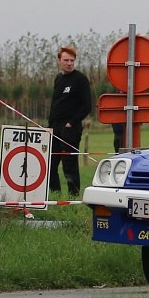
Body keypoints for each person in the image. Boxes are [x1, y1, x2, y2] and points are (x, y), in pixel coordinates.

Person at [48, 45, 92, 197]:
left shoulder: (80, 79)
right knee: (50, 164)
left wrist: (71, 123)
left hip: (70, 128)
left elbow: (87, 106)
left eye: (72, 60)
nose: (69, 63)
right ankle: (55, 195)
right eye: (66, 60)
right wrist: (50, 126)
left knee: (69, 165)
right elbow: (54, 104)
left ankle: (73, 197)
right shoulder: (58, 79)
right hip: (55, 128)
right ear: (59, 61)